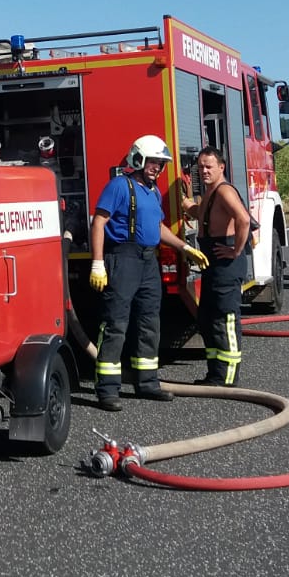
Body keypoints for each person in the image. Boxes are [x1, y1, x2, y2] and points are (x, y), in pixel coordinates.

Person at [89, 134, 210, 411]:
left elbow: (156, 227)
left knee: (149, 322)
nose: (157, 168)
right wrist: (98, 263)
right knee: (116, 323)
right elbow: (99, 223)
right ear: (138, 159)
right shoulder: (120, 186)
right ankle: (107, 390)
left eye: (161, 163)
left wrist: (183, 248)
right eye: (153, 162)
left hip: (147, 262)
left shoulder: (153, 191)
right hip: (122, 258)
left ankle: (147, 383)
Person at [183, 145, 258, 386]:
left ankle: (227, 377)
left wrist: (235, 250)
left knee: (225, 318)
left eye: (209, 166)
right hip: (214, 263)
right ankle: (215, 373)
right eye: (201, 167)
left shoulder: (224, 191)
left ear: (221, 167)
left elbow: (243, 219)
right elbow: (206, 215)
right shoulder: (211, 192)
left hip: (225, 263)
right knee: (209, 318)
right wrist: (187, 206)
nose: (203, 171)